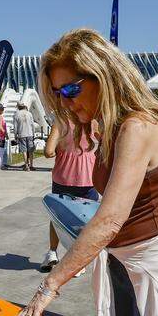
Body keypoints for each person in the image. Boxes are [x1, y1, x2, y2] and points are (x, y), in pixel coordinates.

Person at [14, 28, 158, 316]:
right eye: (59, 94)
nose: (67, 101)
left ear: (103, 74)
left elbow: (109, 220)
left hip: (152, 271)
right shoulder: (107, 126)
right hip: (124, 265)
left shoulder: (137, 127)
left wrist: (49, 286)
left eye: (72, 89)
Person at [41, 116, 97, 272]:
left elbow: (48, 151)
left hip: (63, 178)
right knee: (85, 221)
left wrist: (61, 150)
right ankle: (78, 260)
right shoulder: (93, 122)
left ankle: (52, 252)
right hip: (88, 177)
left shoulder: (60, 123)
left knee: (57, 217)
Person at [13, 102, 36, 171]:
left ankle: (26, 165)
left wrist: (15, 135)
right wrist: (33, 133)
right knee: (31, 151)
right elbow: (32, 125)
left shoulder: (16, 114)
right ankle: (31, 165)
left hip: (21, 134)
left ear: (18, 107)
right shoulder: (29, 113)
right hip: (30, 134)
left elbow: (15, 127)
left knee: (24, 151)